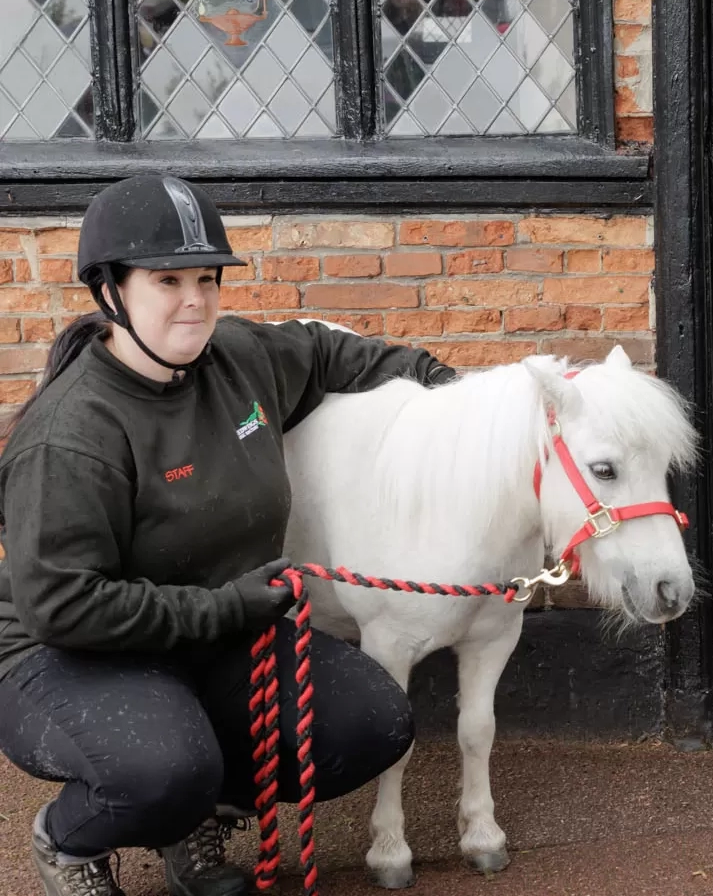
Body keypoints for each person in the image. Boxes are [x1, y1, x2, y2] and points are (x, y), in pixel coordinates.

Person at [0, 175, 458, 896]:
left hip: (215, 629)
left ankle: (197, 816)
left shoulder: (237, 357)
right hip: (72, 652)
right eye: (169, 279)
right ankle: (71, 838)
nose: (197, 299)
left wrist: (454, 392)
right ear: (110, 291)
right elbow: (66, 606)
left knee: (372, 722)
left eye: (209, 278)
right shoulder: (71, 436)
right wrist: (228, 608)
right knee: (163, 769)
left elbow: (330, 353)